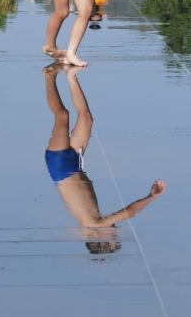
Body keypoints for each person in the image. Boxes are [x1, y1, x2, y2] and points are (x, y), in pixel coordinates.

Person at [43, 63, 165, 252]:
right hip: (75, 164)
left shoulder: (95, 225)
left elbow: (130, 212)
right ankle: (71, 76)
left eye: (112, 239)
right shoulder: (94, 223)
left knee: (62, 116)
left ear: (99, 239)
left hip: (60, 167)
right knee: (86, 119)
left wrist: (151, 197)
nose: (115, 234)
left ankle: (48, 75)